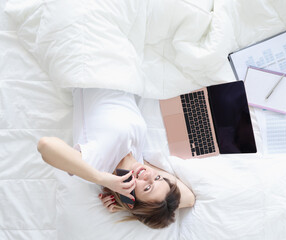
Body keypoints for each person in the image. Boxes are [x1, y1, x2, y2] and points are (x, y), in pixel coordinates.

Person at [37, 88, 195, 229]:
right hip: (125, 69)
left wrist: (103, 179)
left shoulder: (97, 165)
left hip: (96, 68)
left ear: (131, 198)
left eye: (147, 188)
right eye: (158, 178)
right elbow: (188, 199)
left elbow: (45, 146)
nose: (149, 175)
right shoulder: (138, 157)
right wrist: (126, 206)